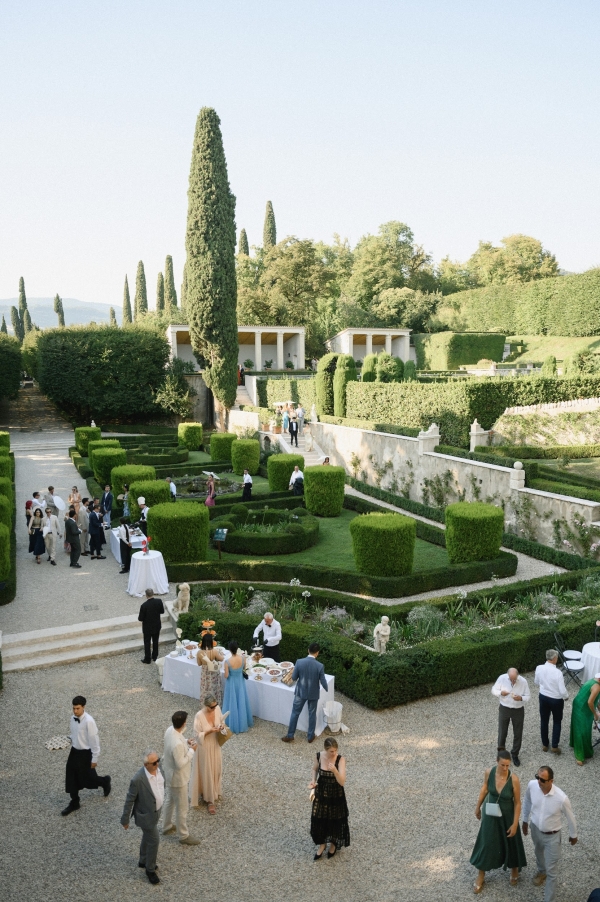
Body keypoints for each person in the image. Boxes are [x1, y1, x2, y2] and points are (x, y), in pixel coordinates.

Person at [470, 750, 526, 893]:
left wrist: (515, 823)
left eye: (508, 765)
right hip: (491, 811)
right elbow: (484, 789)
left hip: (507, 813)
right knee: (487, 840)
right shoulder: (489, 772)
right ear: (497, 761)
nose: (505, 768)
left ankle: (514, 868)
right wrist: (477, 807)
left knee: (511, 839)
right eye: (503, 765)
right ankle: (481, 874)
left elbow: (518, 803)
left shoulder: (514, 779)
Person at [522, 766, 577, 901]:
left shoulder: (561, 798)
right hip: (535, 829)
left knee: (552, 872)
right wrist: (524, 820)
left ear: (551, 781)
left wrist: (573, 834)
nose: (538, 781)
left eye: (542, 779)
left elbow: (571, 817)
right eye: (537, 777)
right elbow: (527, 801)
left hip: (552, 836)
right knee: (538, 852)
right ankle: (542, 871)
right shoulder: (532, 785)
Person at [61, 695, 111, 815]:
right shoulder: (72, 718)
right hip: (74, 751)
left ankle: (105, 781)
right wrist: (68, 740)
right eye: (73, 708)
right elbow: (74, 733)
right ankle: (75, 802)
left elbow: (94, 740)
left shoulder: (89, 721)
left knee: (89, 779)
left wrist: (95, 758)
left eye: (78, 708)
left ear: (84, 707)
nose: (75, 711)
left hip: (85, 753)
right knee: (71, 776)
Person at [121, 750, 164, 885]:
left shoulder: (159, 768)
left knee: (148, 836)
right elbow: (130, 800)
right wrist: (125, 819)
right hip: (146, 817)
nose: (157, 764)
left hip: (156, 812)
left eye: (158, 761)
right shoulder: (138, 779)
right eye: (154, 762)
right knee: (154, 840)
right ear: (146, 764)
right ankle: (150, 869)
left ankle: (143, 860)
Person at [162, 711, 199, 845]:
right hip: (178, 779)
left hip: (169, 774)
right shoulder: (177, 744)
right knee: (182, 807)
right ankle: (183, 835)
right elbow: (180, 764)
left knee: (169, 800)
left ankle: (166, 826)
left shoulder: (169, 730)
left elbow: (177, 739)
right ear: (183, 724)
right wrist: (192, 750)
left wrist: (186, 741)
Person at [309, 737, 350, 859]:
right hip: (321, 792)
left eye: (336, 750)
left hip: (336, 794)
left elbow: (342, 782)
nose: (334, 753)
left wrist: (335, 771)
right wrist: (313, 781)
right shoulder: (319, 756)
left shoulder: (340, 760)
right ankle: (322, 844)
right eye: (331, 751)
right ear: (325, 750)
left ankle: (333, 843)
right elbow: (314, 769)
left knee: (335, 819)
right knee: (319, 817)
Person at [282, 642, 328, 744]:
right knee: (312, 714)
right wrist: (327, 688)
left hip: (300, 692)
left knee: (295, 713)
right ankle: (310, 736)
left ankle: (290, 735)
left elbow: (293, 678)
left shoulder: (299, 662)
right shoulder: (320, 666)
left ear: (308, 650)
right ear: (317, 653)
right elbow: (323, 681)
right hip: (313, 693)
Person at [190, 695, 226, 814]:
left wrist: (221, 727)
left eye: (216, 705)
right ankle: (210, 800)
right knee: (207, 771)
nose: (215, 708)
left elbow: (222, 722)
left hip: (215, 744)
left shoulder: (217, 709)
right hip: (204, 747)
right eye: (212, 707)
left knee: (216, 769)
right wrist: (210, 731)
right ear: (206, 706)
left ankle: (214, 790)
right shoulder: (199, 716)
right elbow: (196, 735)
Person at [492, 667, 530, 767]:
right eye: (511, 679)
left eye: (514, 679)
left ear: (518, 675)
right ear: (508, 676)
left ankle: (515, 754)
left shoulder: (523, 681)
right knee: (502, 731)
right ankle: (501, 753)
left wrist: (521, 698)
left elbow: (528, 696)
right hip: (504, 708)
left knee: (518, 733)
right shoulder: (502, 678)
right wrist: (500, 693)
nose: (513, 681)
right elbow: (494, 690)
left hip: (518, 709)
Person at [535, 649, 569, 753]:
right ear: (554, 659)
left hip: (543, 696)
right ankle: (554, 745)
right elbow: (562, 689)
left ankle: (545, 744)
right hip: (556, 699)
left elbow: (536, 682)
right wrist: (566, 696)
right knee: (557, 721)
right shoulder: (557, 672)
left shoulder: (539, 668)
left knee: (544, 721)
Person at [223, 640, 253, 734]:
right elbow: (244, 669)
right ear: (237, 648)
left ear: (229, 650)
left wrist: (226, 672)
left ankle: (231, 721)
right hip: (240, 681)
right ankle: (243, 720)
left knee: (232, 701)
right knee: (241, 700)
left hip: (232, 683)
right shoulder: (243, 658)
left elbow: (226, 676)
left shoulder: (227, 662)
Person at [569, 672, 600, 765]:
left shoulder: (592, 680)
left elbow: (595, 699)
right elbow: (590, 702)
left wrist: (598, 707)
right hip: (582, 709)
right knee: (582, 731)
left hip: (578, 704)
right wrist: (595, 714)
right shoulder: (597, 687)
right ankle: (580, 756)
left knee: (578, 727)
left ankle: (574, 744)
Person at [138, 588, 165, 664]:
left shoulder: (144, 606)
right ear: (153, 593)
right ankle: (155, 656)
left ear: (146, 595)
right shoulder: (159, 601)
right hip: (156, 625)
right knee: (155, 641)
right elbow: (162, 611)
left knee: (147, 643)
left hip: (147, 628)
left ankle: (147, 659)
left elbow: (140, 618)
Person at [197, 633, 224, 706]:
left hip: (205, 673)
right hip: (213, 672)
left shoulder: (199, 652)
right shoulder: (214, 651)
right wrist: (221, 654)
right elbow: (221, 659)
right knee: (214, 688)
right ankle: (214, 703)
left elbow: (199, 664)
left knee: (205, 688)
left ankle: (205, 704)